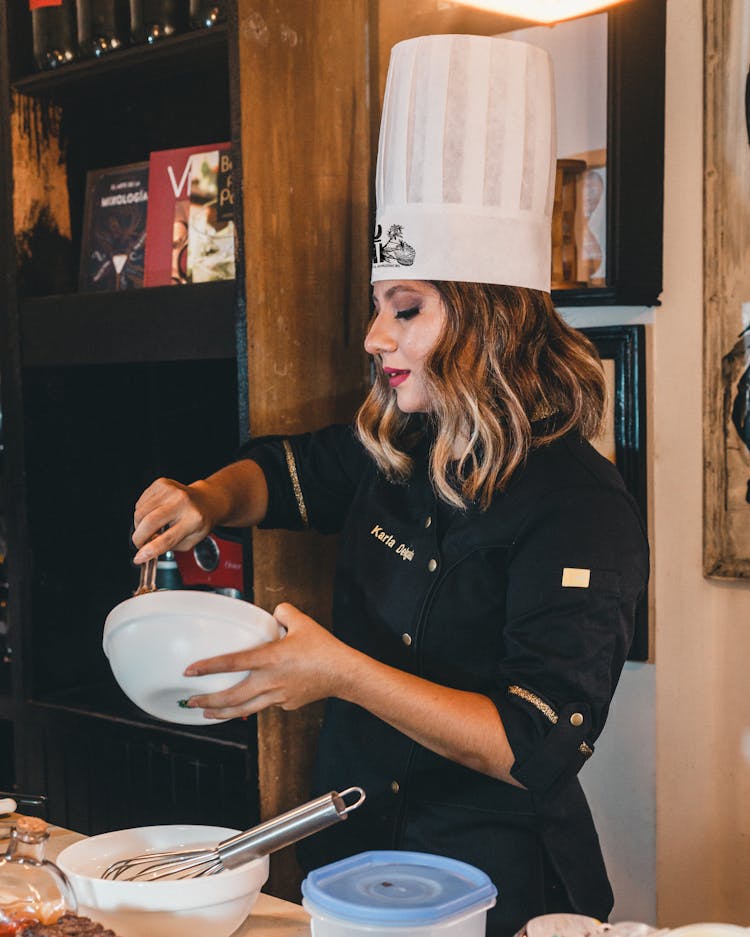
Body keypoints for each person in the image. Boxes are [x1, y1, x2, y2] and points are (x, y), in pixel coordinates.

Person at [132, 35, 649, 937]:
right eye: (381, 305)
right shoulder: (402, 444)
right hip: (350, 864)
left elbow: (533, 745)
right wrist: (207, 498)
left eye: (405, 308)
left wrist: (339, 672)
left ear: (488, 322)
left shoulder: (583, 508)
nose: (375, 335)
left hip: (499, 889)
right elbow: (287, 475)